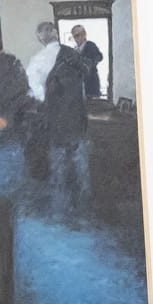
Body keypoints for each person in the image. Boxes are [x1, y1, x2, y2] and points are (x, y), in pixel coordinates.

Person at [36, 20, 93, 218]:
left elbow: (35, 94)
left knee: (59, 169)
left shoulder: (39, 60)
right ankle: (83, 213)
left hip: (57, 122)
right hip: (77, 119)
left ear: (40, 38)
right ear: (56, 34)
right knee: (79, 168)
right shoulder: (72, 54)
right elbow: (86, 75)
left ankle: (61, 214)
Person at [67, 22, 105, 103]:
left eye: (78, 35)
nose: (76, 38)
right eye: (74, 36)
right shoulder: (75, 49)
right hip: (79, 85)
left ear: (84, 34)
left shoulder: (90, 45)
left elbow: (98, 57)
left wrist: (87, 64)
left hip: (90, 83)